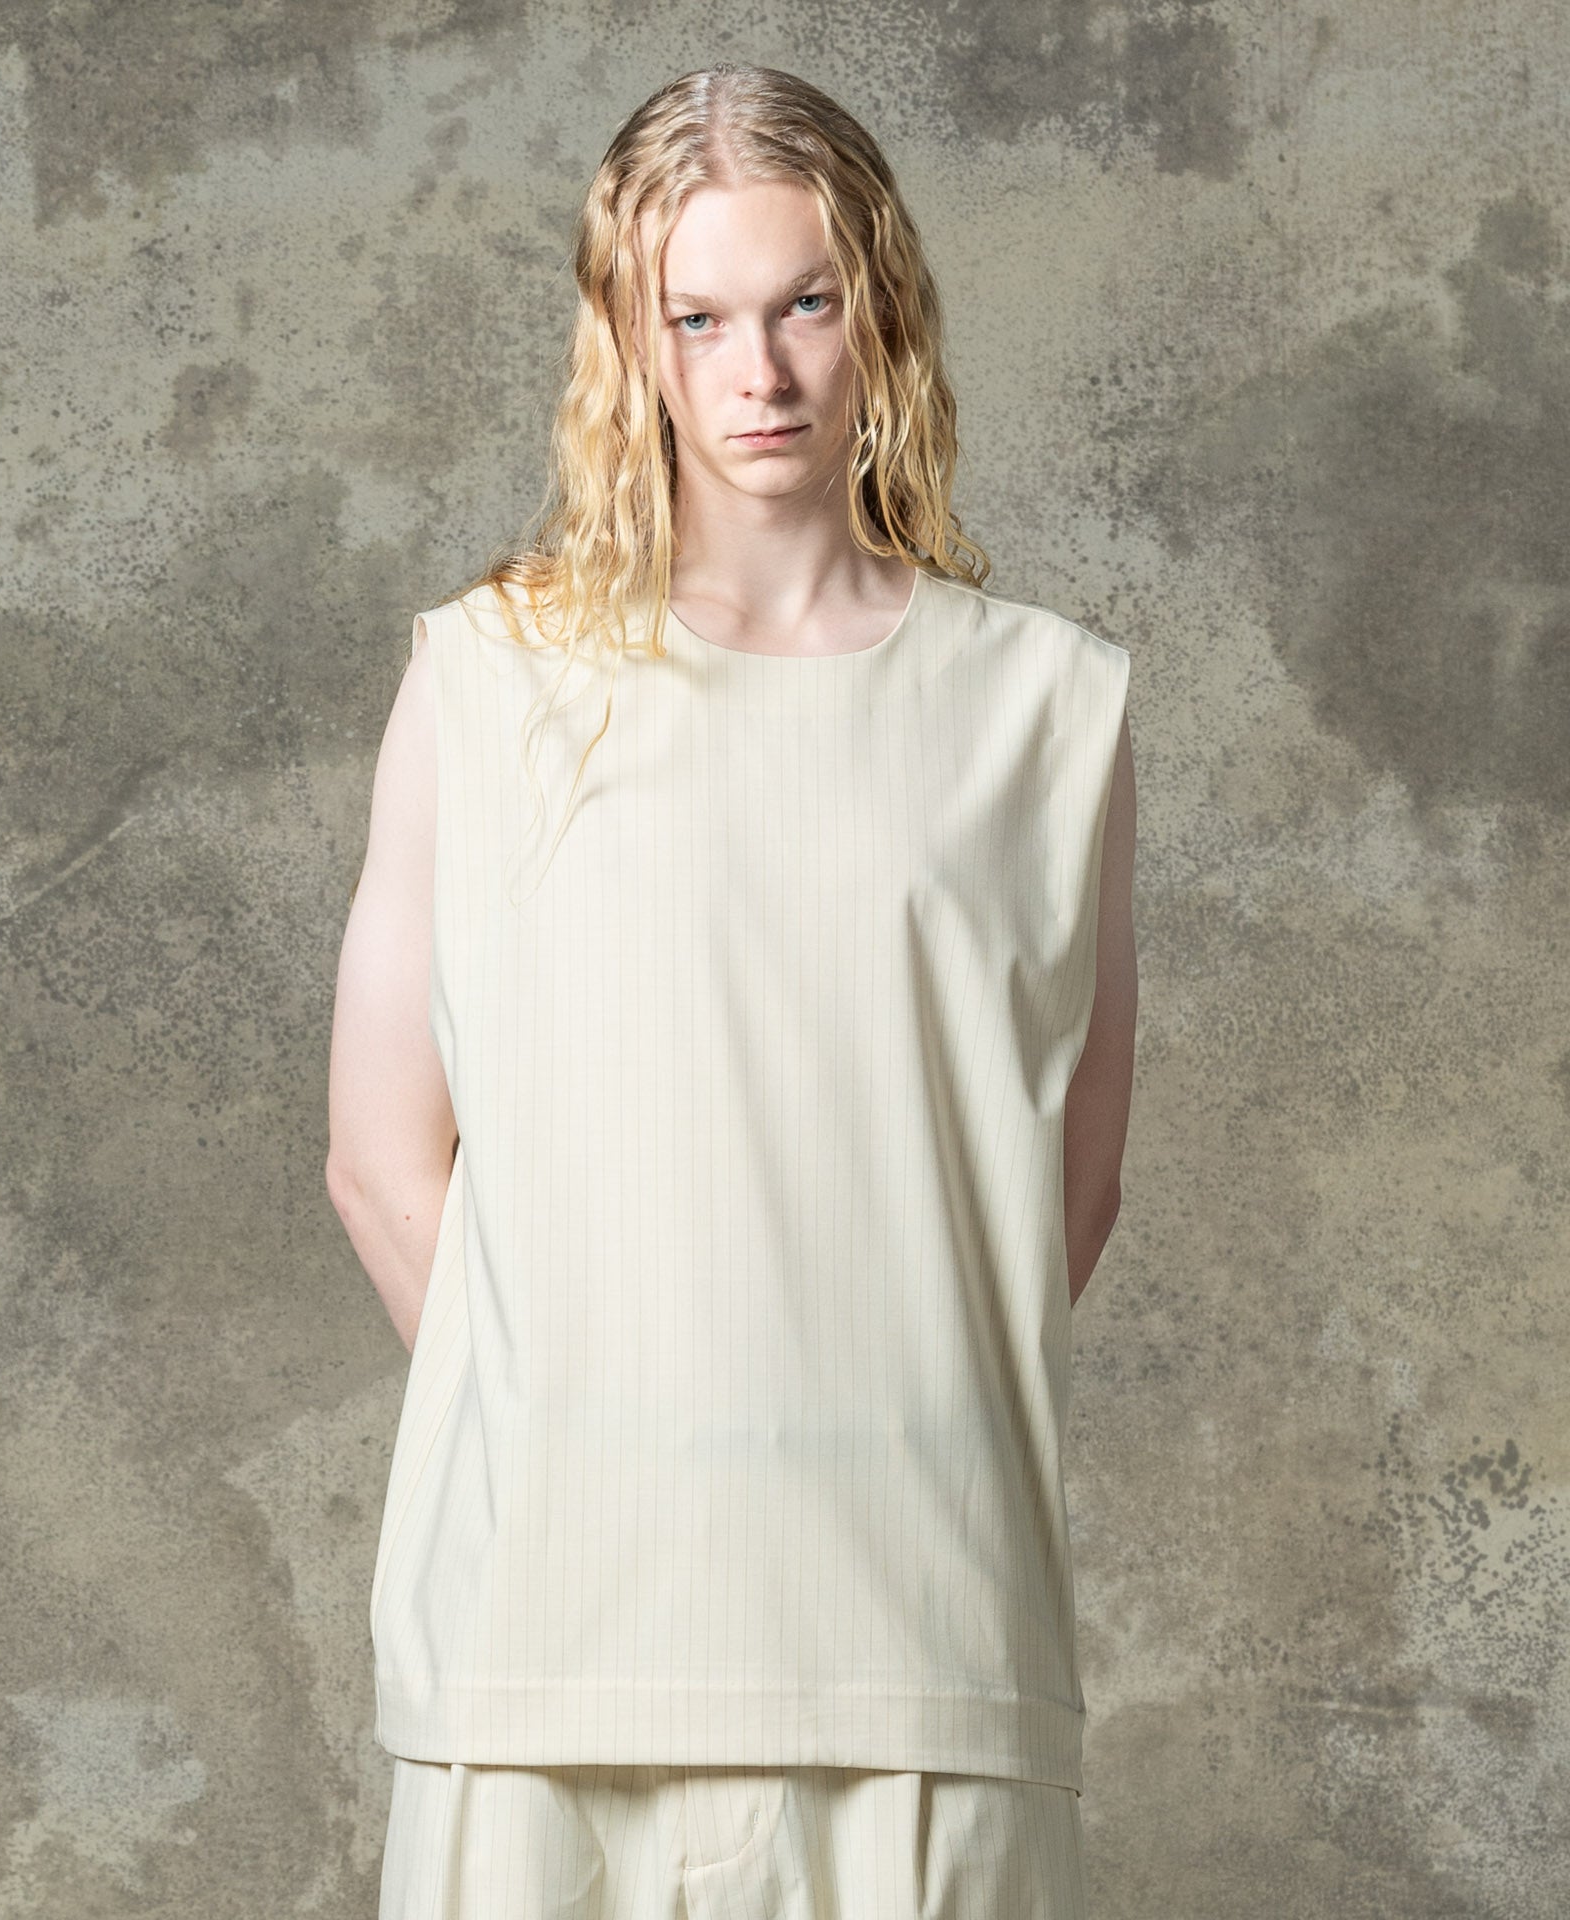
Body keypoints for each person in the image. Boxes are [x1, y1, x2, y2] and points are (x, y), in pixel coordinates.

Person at [327, 61, 1137, 1920]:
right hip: (546, 1646)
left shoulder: (1047, 708)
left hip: (926, 1647)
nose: (757, 372)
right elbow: (379, 1163)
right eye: (695, 316)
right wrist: (593, 1427)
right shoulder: (488, 680)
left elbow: (1062, 1193)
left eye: (804, 303)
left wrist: (853, 1421)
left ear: (882, 313)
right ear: (630, 340)